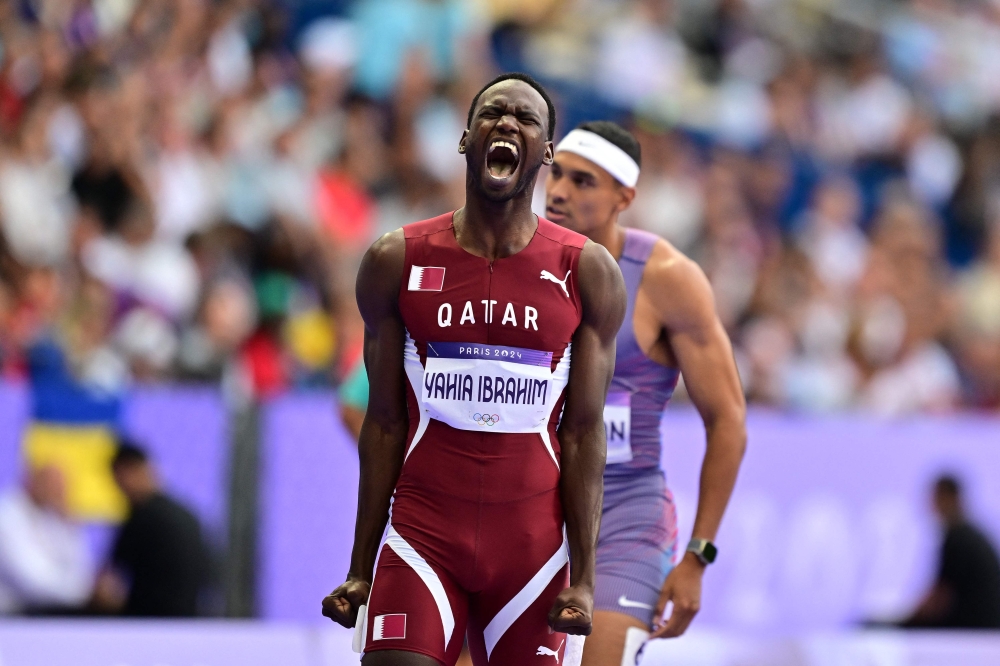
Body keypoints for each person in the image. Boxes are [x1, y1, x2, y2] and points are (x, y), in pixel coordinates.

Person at [322, 72, 626, 666]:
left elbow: (585, 432)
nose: (507, 122)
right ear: (465, 139)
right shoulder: (395, 258)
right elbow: (382, 424)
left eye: (526, 119)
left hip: (532, 556)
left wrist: (585, 579)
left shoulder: (586, 271)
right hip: (422, 538)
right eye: (492, 112)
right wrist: (359, 569)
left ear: (545, 152)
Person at [545, 121, 747, 665]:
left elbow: (727, 420)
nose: (559, 192)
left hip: (624, 517)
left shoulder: (667, 279)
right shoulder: (516, 260)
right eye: (556, 174)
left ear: (624, 197)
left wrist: (698, 557)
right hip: (527, 511)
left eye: (583, 181)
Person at [93, 440, 211, 617]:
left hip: (147, 620)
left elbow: (108, 584)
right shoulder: (187, 515)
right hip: (190, 617)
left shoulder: (141, 518)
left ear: (126, 473)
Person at [902, 474, 1000, 629]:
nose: (931, 505)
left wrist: (904, 619)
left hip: (972, 628)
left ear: (950, 498)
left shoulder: (958, 539)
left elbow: (940, 599)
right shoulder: (969, 535)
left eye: (935, 498)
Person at [0, 466, 93, 615]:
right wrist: (86, 594)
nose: (58, 492)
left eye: (62, 486)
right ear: (30, 481)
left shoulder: (52, 516)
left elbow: (80, 572)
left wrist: (70, 528)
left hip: (46, 613)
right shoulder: (7, 516)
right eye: (52, 484)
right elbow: (31, 583)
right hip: (11, 619)